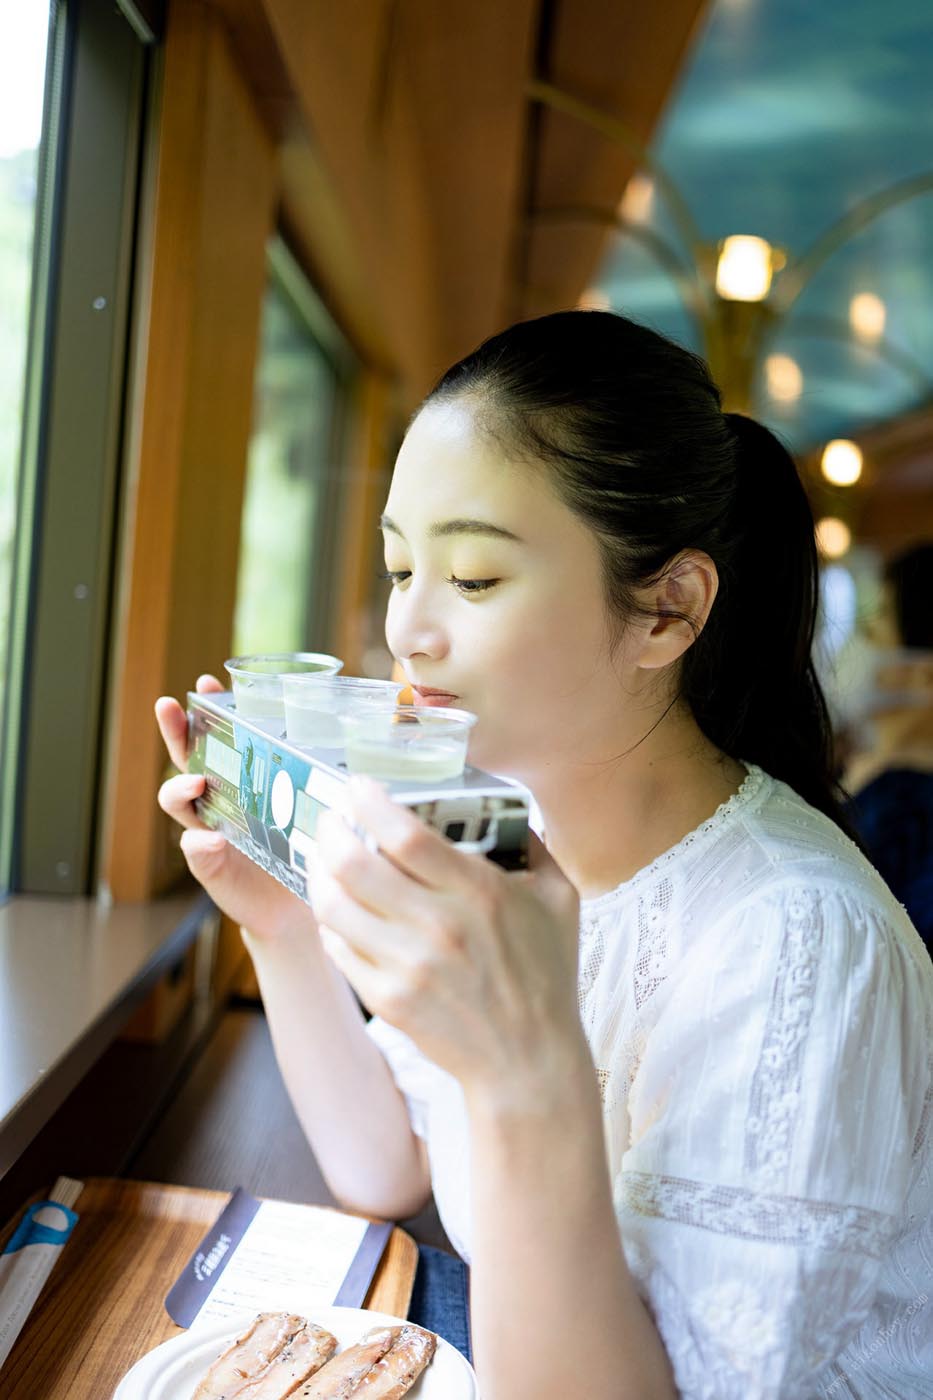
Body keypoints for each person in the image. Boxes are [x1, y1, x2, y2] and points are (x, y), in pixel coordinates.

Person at [156, 311, 932, 1400]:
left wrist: (531, 1072)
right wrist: (277, 922)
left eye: (472, 577)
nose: (409, 630)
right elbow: (386, 1161)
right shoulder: (510, 823)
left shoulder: (796, 937)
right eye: (399, 565)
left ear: (668, 610)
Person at [844, 543, 933, 952]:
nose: (860, 647)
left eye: (876, 627)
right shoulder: (874, 769)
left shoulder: (908, 807)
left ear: (924, 673)